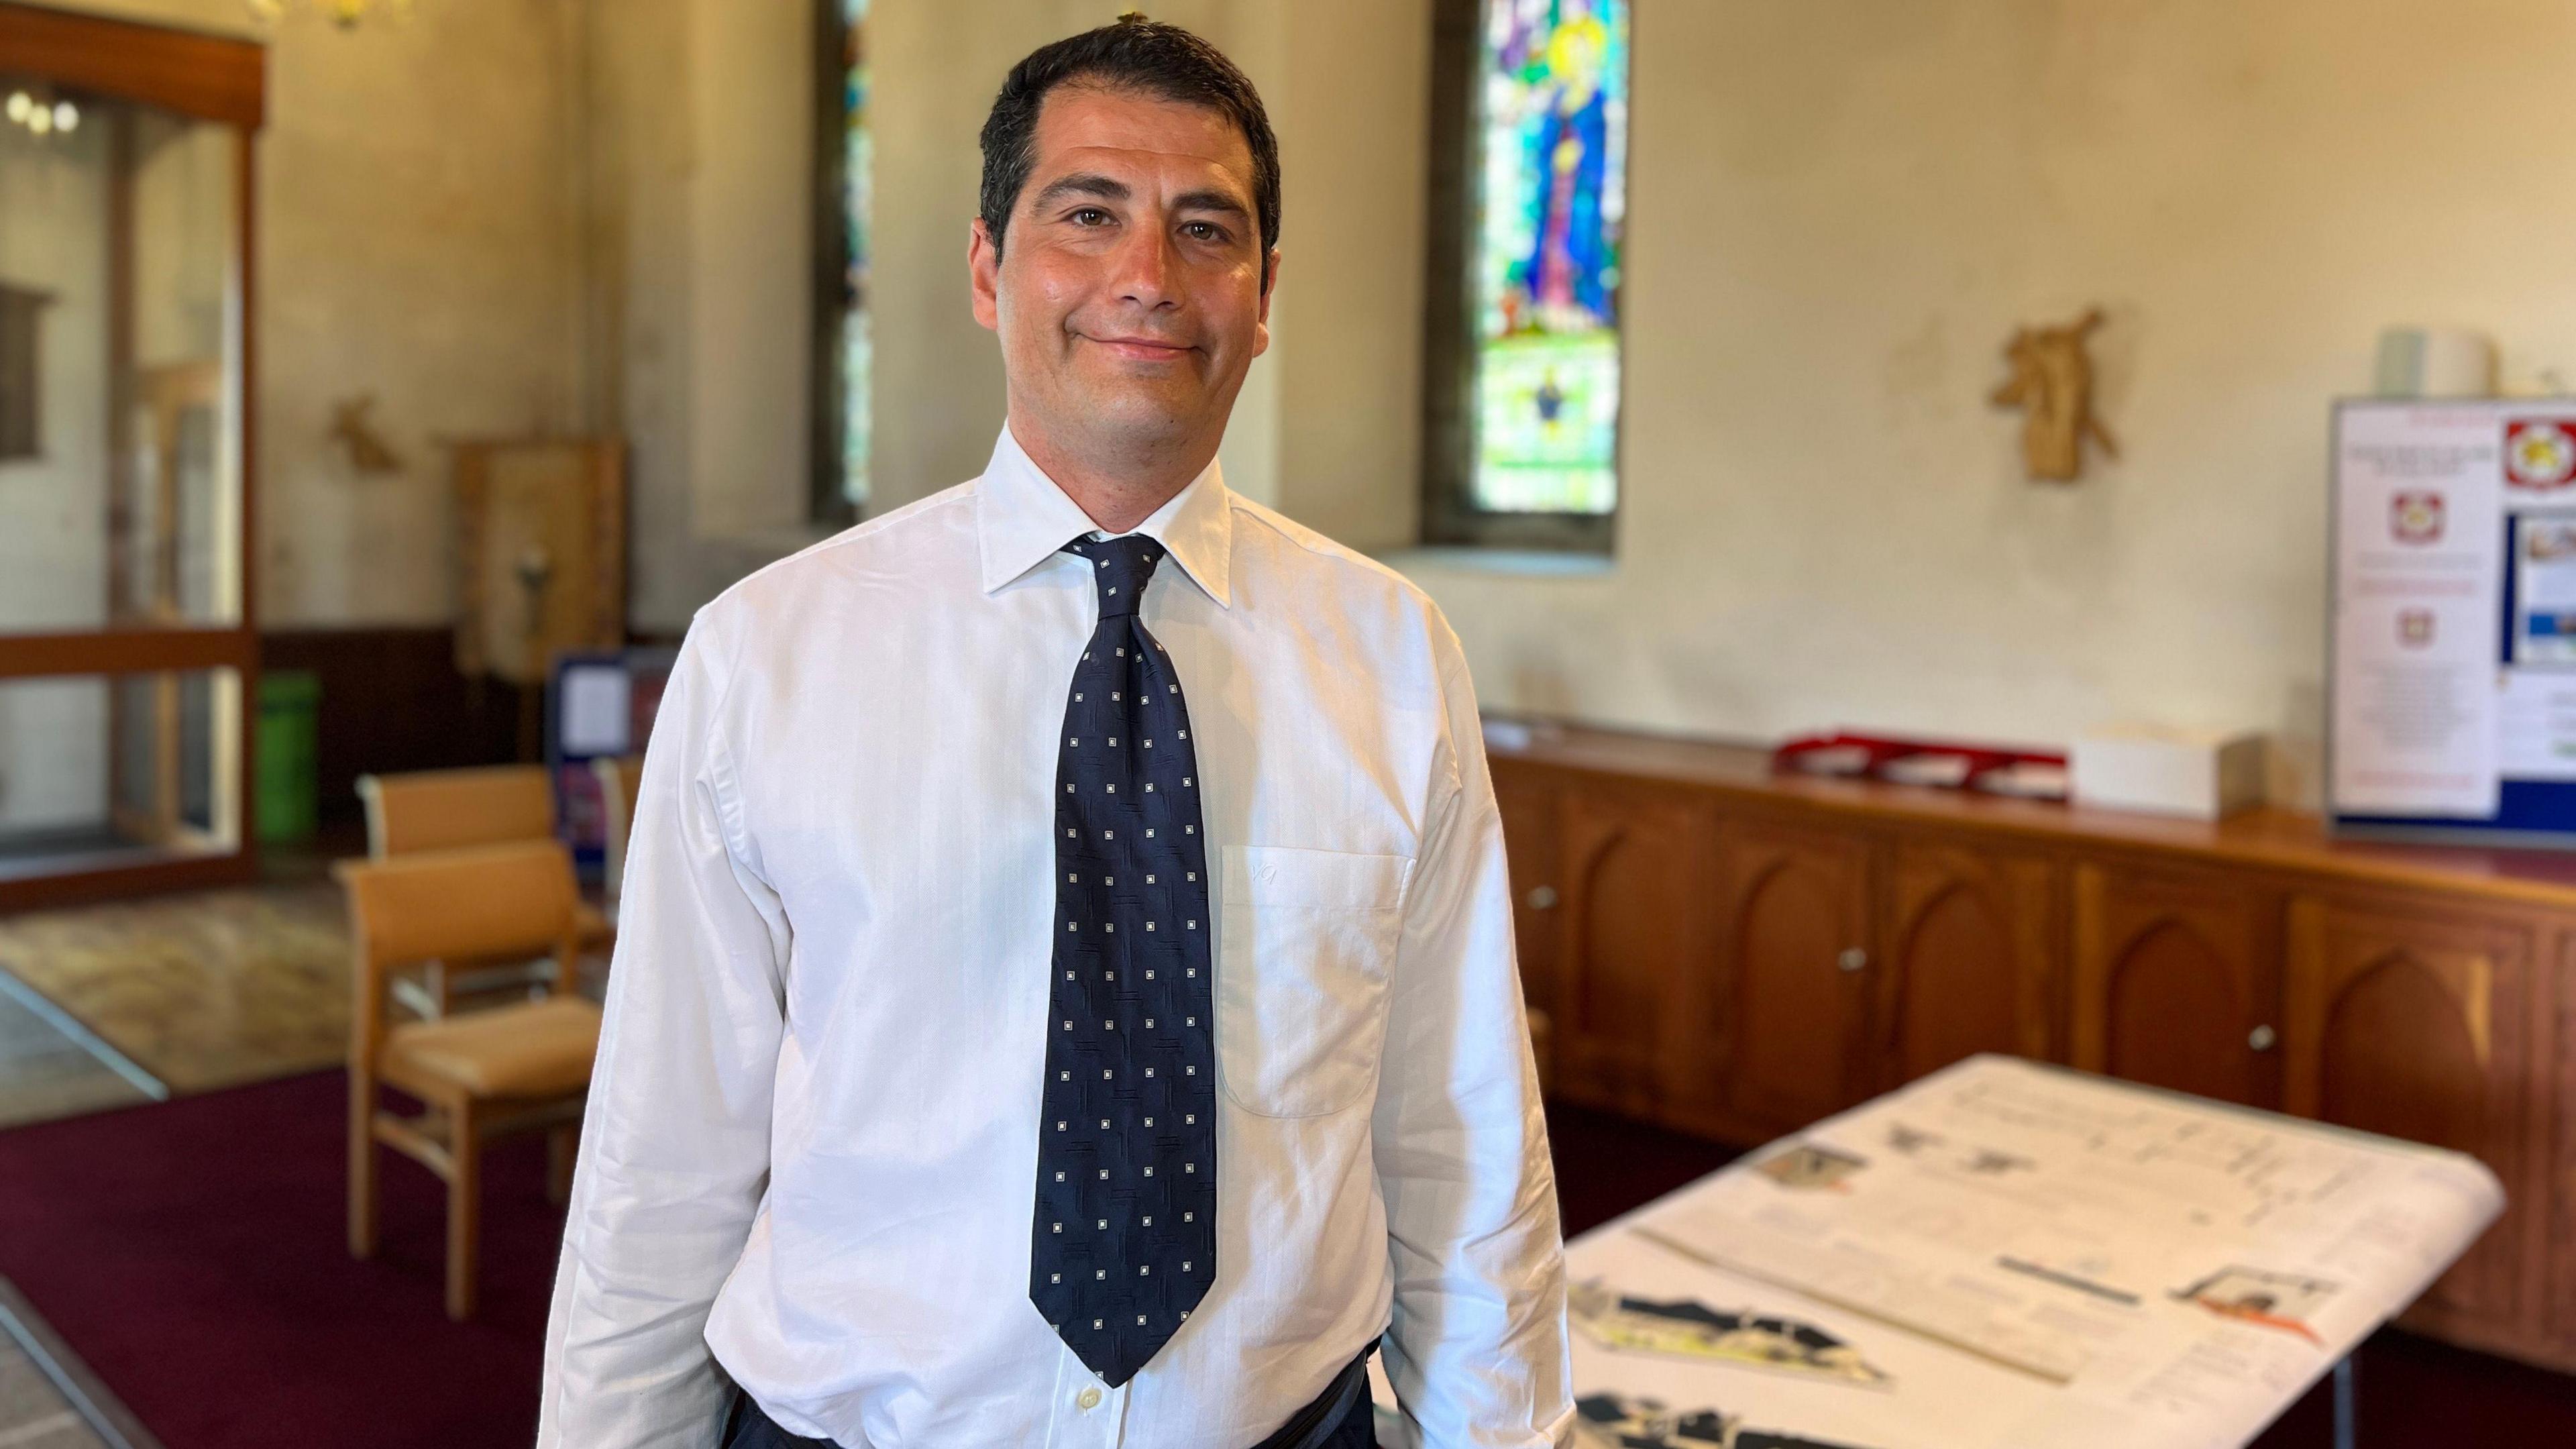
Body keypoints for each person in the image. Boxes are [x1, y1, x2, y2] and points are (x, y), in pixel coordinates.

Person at [537, 17, 1570, 1449]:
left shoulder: (1391, 658)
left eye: (1207, 228)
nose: (1148, 276)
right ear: (988, 269)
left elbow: (1460, 1137)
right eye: (1089, 214)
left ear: (1264, 295)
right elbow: (661, 1161)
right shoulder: (770, 656)